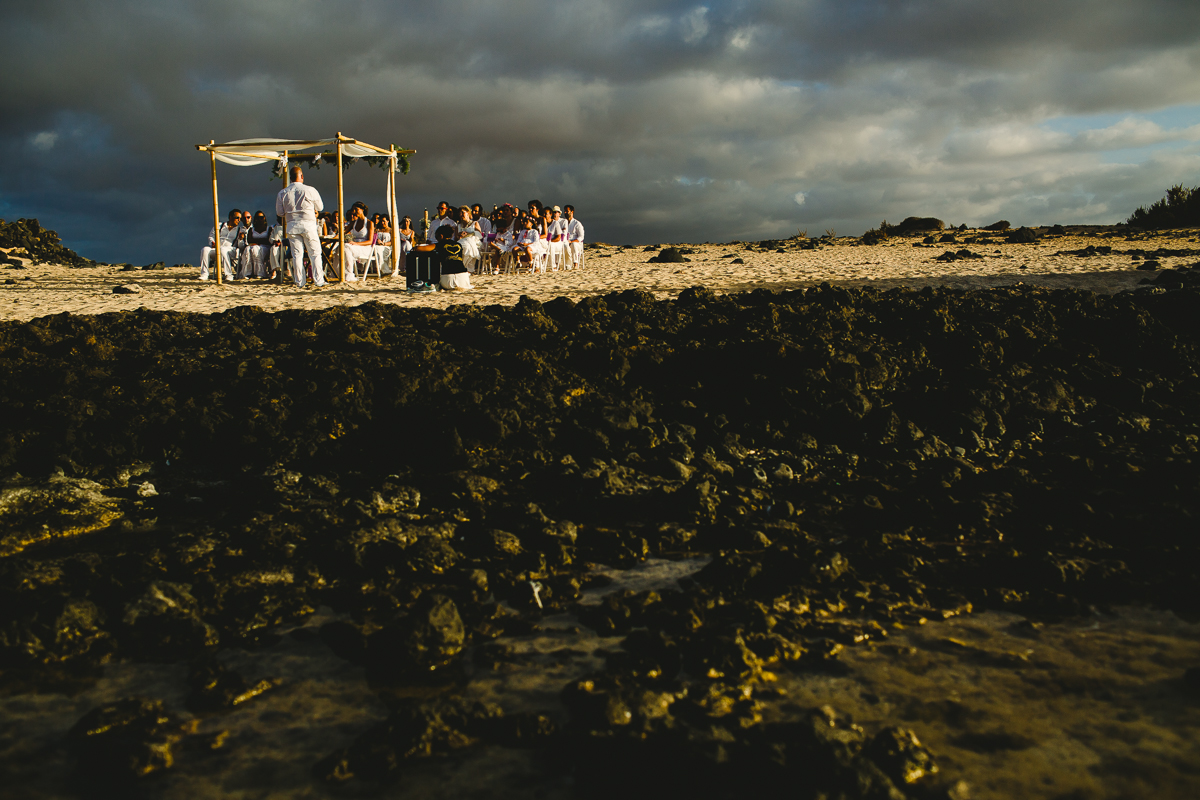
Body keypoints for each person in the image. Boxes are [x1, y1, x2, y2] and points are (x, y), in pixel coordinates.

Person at [276, 165, 325, 288]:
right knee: (315, 253)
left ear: (290, 178)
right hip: (308, 225)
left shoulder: (283, 193)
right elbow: (320, 207)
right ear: (302, 176)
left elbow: (279, 213)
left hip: (292, 225)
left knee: (297, 255)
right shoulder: (310, 190)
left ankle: (300, 282)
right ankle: (318, 281)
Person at [200, 208, 241, 281]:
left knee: (223, 249)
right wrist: (212, 242)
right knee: (205, 249)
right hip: (217, 249)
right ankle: (204, 273)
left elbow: (241, 243)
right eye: (237, 218)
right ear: (230, 217)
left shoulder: (239, 230)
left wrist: (241, 239)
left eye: (240, 218)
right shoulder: (220, 225)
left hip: (231, 250)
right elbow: (211, 236)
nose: (239, 220)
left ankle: (229, 274)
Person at [341, 202, 375, 282]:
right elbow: (343, 233)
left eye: (356, 209)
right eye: (353, 210)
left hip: (365, 248)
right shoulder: (353, 223)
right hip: (353, 247)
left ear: (362, 210)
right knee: (340, 247)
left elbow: (370, 241)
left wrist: (356, 243)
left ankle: (349, 274)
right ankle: (337, 273)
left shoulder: (369, 223)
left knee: (346, 247)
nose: (354, 212)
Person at [435, 224, 472, 291]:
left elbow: (423, 248)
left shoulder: (440, 244)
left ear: (441, 236)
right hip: (464, 280)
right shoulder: (459, 244)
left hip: (448, 280)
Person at [237, 211, 273, 279]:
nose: (259, 220)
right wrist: (259, 241)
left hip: (265, 247)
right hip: (253, 246)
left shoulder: (269, 229)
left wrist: (257, 242)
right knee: (247, 249)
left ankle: (260, 273)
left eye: (261, 218)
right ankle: (247, 273)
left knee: (255, 249)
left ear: (264, 218)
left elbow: (269, 240)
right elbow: (249, 240)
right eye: (257, 218)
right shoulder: (252, 229)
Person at [456, 205, 482, 274]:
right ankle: (461, 267)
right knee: (462, 246)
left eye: (463, 213)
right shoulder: (458, 225)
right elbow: (456, 237)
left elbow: (479, 235)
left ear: (468, 213)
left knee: (468, 247)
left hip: (473, 241)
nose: (461, 215)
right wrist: (459, 235)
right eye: (460, 213)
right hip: (461, 241)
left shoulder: (475, 223)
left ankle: (469, 269)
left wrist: (468, 234)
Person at [565, 205, 585, 270]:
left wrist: (572, 241)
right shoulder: (563, 223)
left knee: (574, 245)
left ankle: (575, 264)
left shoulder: (577, 223)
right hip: (566, 241)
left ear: (572, 212)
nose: (565, 213)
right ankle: (565, 264)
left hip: (576, 243)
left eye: (567, 211)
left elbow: (581, 237)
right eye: (565, 211)